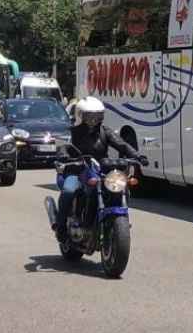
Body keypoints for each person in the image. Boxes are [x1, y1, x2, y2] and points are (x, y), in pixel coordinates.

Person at [57, 97, 142, 238]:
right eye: (90, 116)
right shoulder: (72, 132)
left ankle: (119, 220)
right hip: (77, 169)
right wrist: (64, 155)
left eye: (97, 116)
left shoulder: (104, 131)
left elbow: (121, 144)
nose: (93, 120)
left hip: (100, 170)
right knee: (69, 191)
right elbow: (62, 146)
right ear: (80, 115)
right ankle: (61, 228)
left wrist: (137, 156)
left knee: (122, 186)